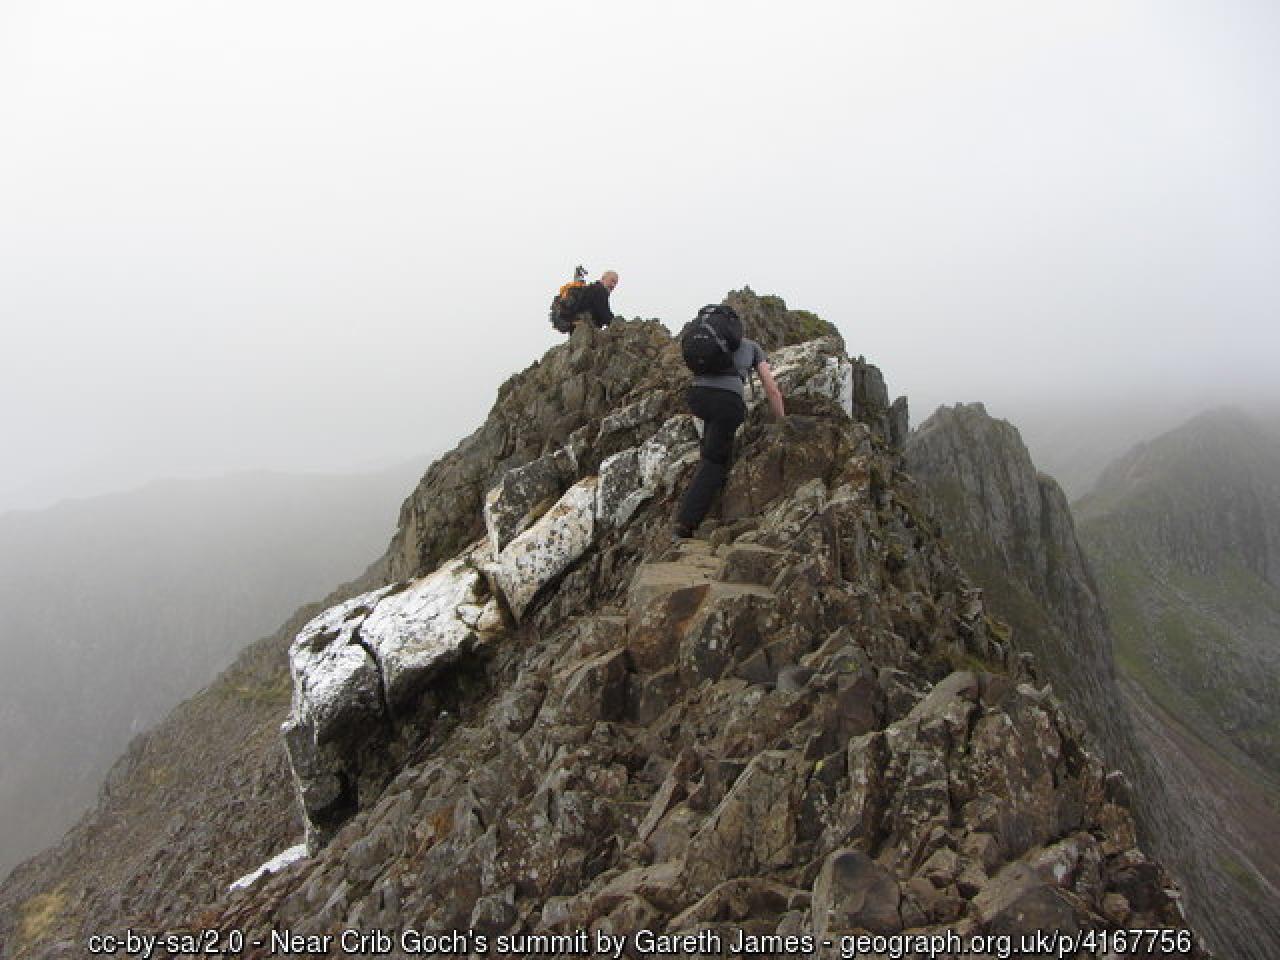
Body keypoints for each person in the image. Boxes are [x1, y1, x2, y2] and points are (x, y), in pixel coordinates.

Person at [674, 325, 785, 539]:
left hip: (697, 397)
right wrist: (782, 421)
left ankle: (702, 499)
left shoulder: (711, 344)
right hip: (726, 401)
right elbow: (772, 389)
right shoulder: (752, 347)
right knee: (715, 461)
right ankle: (685, 523)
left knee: (710, 447)